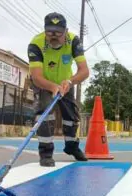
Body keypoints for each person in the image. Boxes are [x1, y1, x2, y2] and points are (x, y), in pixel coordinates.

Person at [27, 12, 90, 167]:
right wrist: (52, 86)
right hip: (43, 83)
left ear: (66, 31)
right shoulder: (36, 44)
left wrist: (69, 81)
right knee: (45, 114)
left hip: (66, 83)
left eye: (58, 32)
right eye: (50, 32)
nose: (53, 36)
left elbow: (84, 71)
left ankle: (71, 147)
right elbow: (36, 77)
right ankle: (46, 153)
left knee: (71, 117)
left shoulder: (74, 41)